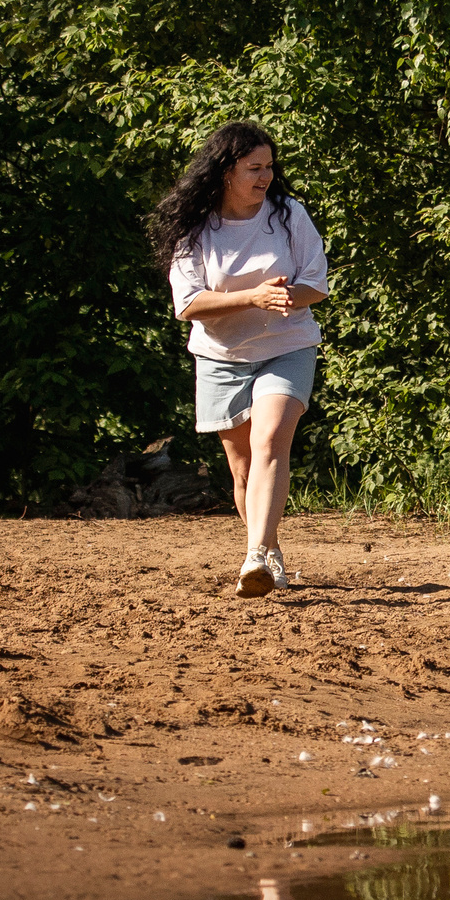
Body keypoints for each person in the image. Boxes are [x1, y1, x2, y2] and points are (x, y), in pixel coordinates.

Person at [151, 122, 330, 598]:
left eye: (270, 167)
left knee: (270, 439)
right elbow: (187, 304)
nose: (266, 176)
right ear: (226, 171)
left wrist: (286, 297)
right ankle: (269, 550)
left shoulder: (289, 215)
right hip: (220, 356)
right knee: (244, 469)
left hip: (286, 345)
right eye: (255, 168)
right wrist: (253, 296)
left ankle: (253, 556)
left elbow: (317, 282)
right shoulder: (196, 227)